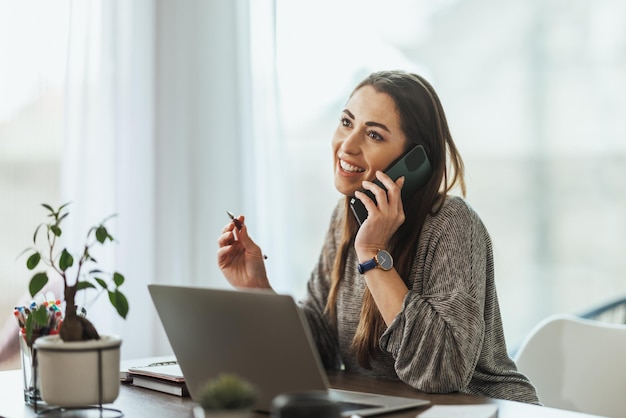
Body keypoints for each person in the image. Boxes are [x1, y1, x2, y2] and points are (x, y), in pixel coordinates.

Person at [217, 70, 540, 404]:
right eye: (346, 122)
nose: (348, 145)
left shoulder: (451, 223)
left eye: (373, 135)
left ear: (413, 160)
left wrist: (372, 253)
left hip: (482, 410)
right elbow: (322, 351)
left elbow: (442, 374)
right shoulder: (346, 216)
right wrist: (258, 291)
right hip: (393, 409)